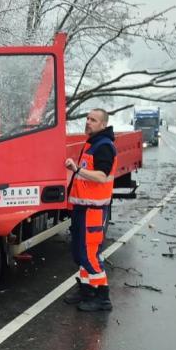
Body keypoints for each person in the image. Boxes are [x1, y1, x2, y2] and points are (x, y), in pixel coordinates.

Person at [63, 108, 117, 312]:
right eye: (87, 118)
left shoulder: (104, 146)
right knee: (79, 253)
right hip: (82, 207)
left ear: (103, 125)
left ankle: (102, 297)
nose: (88, 122)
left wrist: (77, 170)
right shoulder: (91, 143)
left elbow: (102, 177)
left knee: (89, 254)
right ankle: (87, 289)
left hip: (93, 210)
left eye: (93, 120)